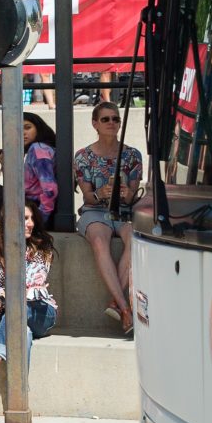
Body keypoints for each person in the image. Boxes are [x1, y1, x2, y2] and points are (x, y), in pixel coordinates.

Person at [73, 104, 145, 333]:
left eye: (115, 118)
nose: (111, 123)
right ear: (95, 123)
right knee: (99, 242)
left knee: (135, 240)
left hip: (124, 211)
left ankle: (117, 305)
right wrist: (99, 193)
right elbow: (87, 197)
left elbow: (134, 193)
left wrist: (127, 193)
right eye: (105, 119)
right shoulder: (83, 156)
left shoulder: (132, 155)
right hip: (95, 211)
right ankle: (125, 308)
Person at [0, 205, 57, 389]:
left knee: (19, 309)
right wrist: (0, 299)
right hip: (5, 318)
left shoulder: (42, 248)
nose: (30, 224)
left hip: (40, 313)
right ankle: (20, 391)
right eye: (25, 219)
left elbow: (32, 288)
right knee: (22, 332)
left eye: (32, 218)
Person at [0, 112, 57, 229]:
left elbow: (50, 189)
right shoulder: (41, 149)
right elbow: (17, 189)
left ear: (39, 128)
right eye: (19, 129)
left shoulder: (38, 149)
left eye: (27, 127)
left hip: (34, 210)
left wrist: (40, 220)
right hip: (30, 206)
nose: (23, 133)